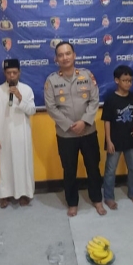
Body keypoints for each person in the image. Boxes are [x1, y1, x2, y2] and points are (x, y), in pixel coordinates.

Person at [44, 41, 104, 217]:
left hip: (88, 131)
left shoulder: (87, 75)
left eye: (68, 53)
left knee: (93, 167)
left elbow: (94, 100)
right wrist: (70, 125)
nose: (65, 57)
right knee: (69, 170)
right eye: (61, 55)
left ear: (74, 55)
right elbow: (51, 107)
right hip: (66, 134)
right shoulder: (51, 81)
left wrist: (84, 122)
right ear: (56, 59)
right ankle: (72, 203)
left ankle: (97, 199)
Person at [0, 59, 36, 208]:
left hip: (22, 134)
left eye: (14, 72)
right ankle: (5, 194)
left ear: (19, 73)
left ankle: (24, 194)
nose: (11, 75)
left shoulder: (27, 89)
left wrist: (20, 97)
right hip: (4, 135)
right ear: (4, 73)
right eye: (9, 73)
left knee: (23, 164)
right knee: (5, 165)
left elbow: (32, 111)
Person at [101, 65, 133, 209]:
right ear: (116, 80)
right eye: (125, 80)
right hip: (115, 141)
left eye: (130, 81)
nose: (128, 83)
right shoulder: (110, 99)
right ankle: (109, 197)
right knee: (110, 170)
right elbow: (107, 121)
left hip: (131, 140)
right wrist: (108, 140)